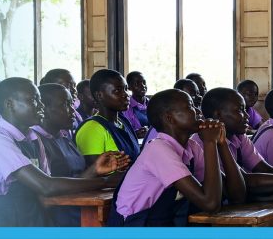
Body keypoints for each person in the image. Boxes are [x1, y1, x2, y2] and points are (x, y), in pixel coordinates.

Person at [0, 77, 129, 226]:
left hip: (29, 211)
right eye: (34, 100)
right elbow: (46, 186)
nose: (41, 106)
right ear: (9, 104)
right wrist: (106, 182)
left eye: (40, 100)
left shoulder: (32, 138)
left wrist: (94, 171)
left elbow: (51, 183)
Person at [106, 89, 235, 226]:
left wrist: (221, 144)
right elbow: (210, 204)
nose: (197, 111)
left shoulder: (191, 146)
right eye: (190, 107)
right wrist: (210, 143)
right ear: (169, 118)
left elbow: (235, 193)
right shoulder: (158, 150)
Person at [75, 69, 143, 164]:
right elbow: (93, 175)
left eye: (126, 89)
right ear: (99, 95)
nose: (126, 94)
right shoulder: (92, 129)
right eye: (117, 91)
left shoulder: (122, 121)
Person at [122, 71, 150, 138]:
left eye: (144, 82)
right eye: (137, 83)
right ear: (129, 87)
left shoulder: (153, 104)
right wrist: (135, 134)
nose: (143, 86)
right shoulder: (126, 107)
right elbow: (124, 132)